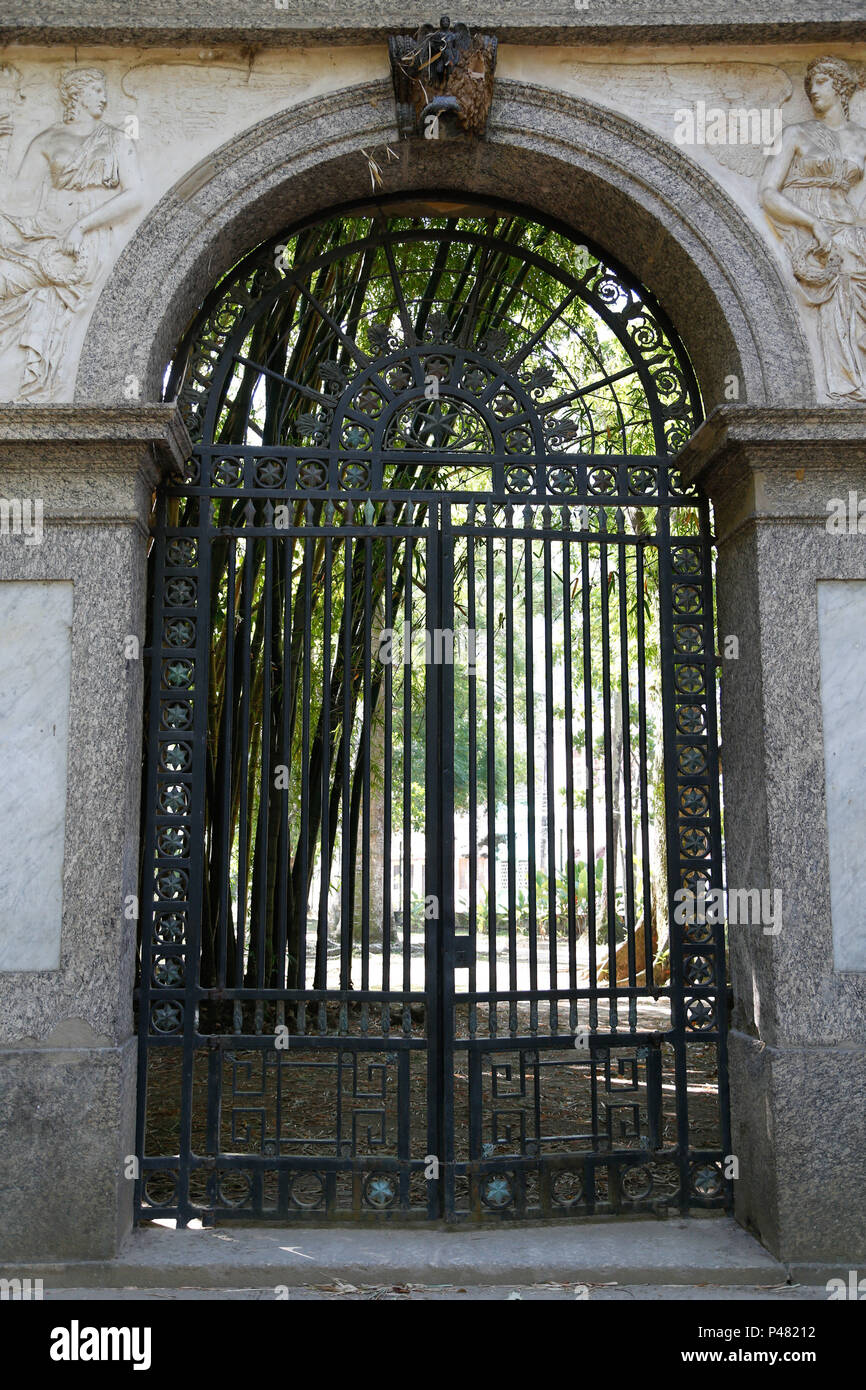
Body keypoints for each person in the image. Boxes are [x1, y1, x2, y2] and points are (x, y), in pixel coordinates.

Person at [0, 67, 142, 399]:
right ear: (75, 95)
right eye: (95, 90)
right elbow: (14, 198)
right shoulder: (48, 140)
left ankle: (38, 379)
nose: (104, 97)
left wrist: (81, 226)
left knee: (29, 284)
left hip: (84, 243)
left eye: (104, 90)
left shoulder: (117, 139)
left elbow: (135, 194)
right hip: (43, 235)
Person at [760, 57, 866, 401]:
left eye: (820, 81)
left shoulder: (862, 139)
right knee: (837, 311)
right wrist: (813, 223)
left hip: (855, 235)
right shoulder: (795, 133)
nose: (812, 90)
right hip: (818, 240)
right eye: (809, 84)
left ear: (840, 86)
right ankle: (848, 387)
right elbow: (767, 193)